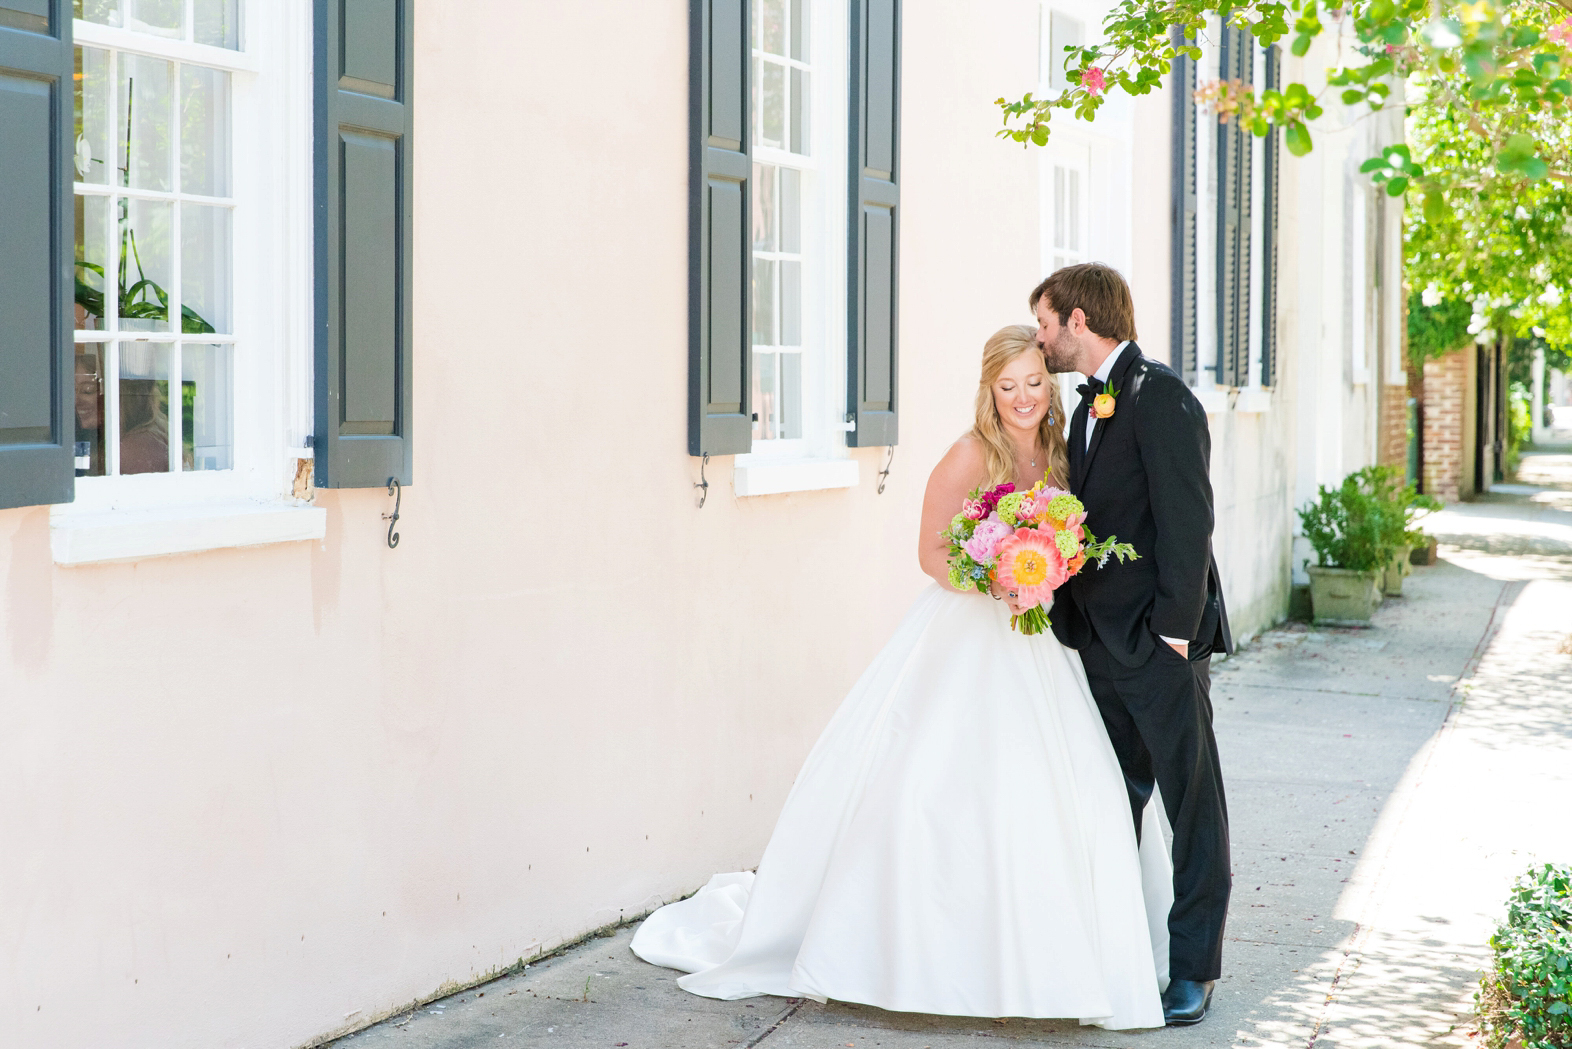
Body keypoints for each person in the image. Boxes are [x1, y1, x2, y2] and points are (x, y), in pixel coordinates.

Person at [630, 325, 1171, 1030]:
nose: (1022, 398)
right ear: (989, 390)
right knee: (929, 790)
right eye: (1007, 387)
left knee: (1068, 788)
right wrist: (996, 580)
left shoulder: (1062, 448)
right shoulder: (969, 452)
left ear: (1050, 381)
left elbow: (1068, 534)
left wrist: (1051, 566)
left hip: (1042, 641)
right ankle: (914, 955)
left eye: (1034, 383)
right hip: (971, 631)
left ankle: (1069, 957)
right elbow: (930, 553)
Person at [1033, 263, 1233, 1026]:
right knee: (1112, 805)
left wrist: (1174, 636)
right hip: (1094, 641)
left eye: (1047, 322)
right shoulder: (1083, 408)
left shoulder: (1163, 397)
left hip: (1158, 646)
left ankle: (1193, 970)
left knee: (1192, 806)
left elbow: (1189, 525)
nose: (1043, 337)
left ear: (1080, 320)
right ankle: (1118, 958)